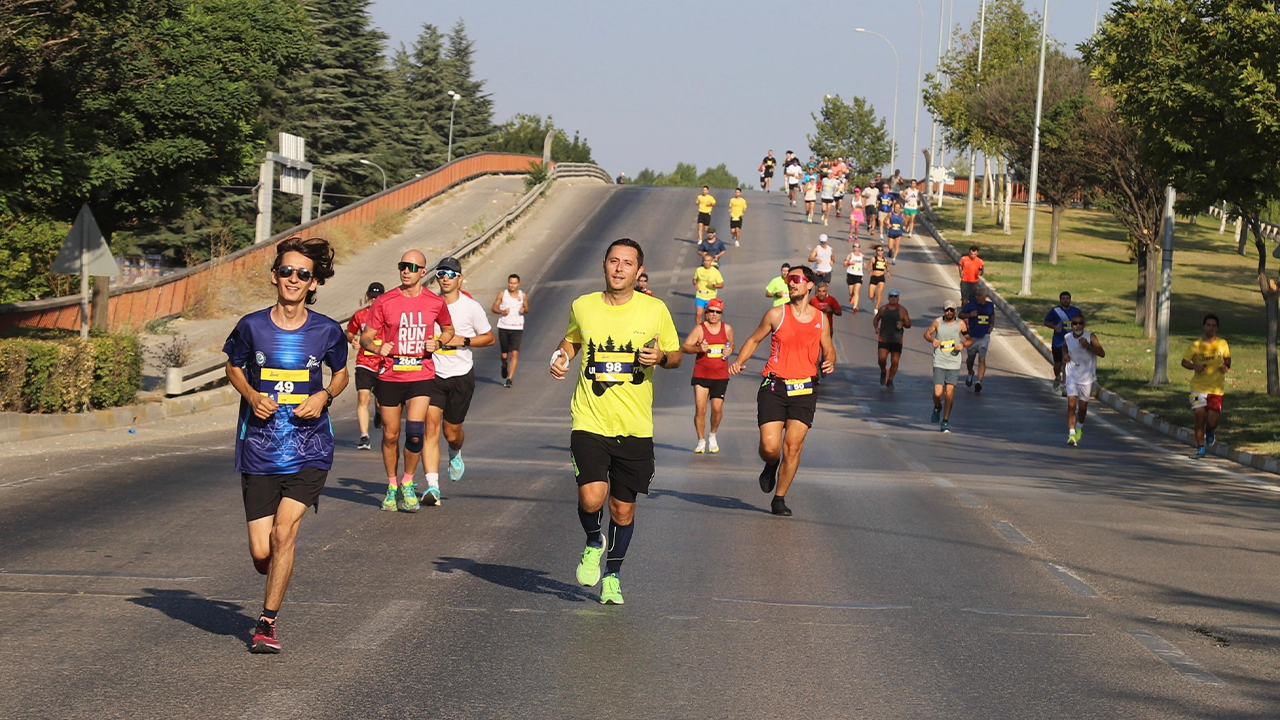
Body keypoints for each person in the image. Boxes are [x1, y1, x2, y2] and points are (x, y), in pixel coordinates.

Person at [222, 236, 348, 654]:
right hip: (260, 449)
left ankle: (267, 623)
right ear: (274, 276)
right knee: (262, 551)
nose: (294, 279)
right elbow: (233, 366)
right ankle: (271, 569)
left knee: (283, 533)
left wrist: (324, 396)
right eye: (287, 271)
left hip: (310, 448)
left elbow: (341, 374)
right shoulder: (251, 326)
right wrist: (251, 395)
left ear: (313, 283)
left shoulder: (327, 330)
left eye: (303, 274)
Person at [550, 238, 681, 605]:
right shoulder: (583, 305)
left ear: (639, 271)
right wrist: (560, 357)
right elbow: (572, 340)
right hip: (589, 420)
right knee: (591, 496)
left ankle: (612, 575)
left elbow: (675, 356)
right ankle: (594, 540)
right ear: (604, 264)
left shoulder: (655, 310)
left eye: (628, 263)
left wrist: (661, 358)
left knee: (622, 510)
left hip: (635, 427)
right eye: (614, 261)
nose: (620, 268)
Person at [730, 266, 835, 517]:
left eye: (796, 279)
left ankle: (779, 498)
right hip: (774, 385)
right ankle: (771, 463)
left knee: (793, 447)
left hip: (805, 388)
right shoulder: (776, 314)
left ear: (809, 284)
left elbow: (829, 348)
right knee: (770, 446)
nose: (791, 283)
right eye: (789, 280)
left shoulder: (821, 319)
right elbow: (754, 339)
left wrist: (829, 361)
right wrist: (739, 361)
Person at [361, 250, 455, 512]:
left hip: (420, 375)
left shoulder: (434, 302)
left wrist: (439, 342)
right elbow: (366, 336)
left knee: (415, 433)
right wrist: (377, 348)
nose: (406, 271)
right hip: (390, 376)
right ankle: (392, 485)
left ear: (423, 272)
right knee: (390, 435)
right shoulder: (385, 301)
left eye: (412, 267)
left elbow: (449, 329)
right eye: (403, 266)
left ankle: (408, 482)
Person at [429, 257, 496, 485]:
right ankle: (432, 485)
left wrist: (464, 340)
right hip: (433, 374)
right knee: (430, 427)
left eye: (451, 274)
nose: (445, 278)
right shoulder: (430, 304)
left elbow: (489, 338)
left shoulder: (471, 307)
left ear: (460, 279)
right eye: (441, 274)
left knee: (451, 433)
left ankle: (455, 452)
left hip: (460, 375)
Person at [681, 297, 733, 453]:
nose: (714, 314)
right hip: (702, 375)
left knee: (717, 408)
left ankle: (713, 434)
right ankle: (701, 441)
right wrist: (698, 349)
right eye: (711, 311)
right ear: (706, 312)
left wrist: (729, 350)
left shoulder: (727, 329)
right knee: (700, 409)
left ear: (721, 314)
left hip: (720, 375)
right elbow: (685, 347)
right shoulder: (699, 329)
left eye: (718, 312)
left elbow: (731, 343)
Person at [1181, 313, 1231, 459]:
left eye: (1213, 325)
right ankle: (1201, 447)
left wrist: (1226, 366)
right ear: (1204, 327)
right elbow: (1184, 362)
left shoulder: (1222, 343)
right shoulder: (1196, 345)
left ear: (1217, 328)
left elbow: (1228, 359)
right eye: (1208, 325)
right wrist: (1195, 367)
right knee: (1200, 417)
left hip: (1216, 389)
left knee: (1212, 421)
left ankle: (1209, 430)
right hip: (1198, 388)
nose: (1211, 328)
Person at [345, 282, 385, 449]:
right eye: (371, 297)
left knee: (381, 402)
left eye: (377, 297)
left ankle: (379, 413)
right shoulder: (360, 315)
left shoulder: (389, 314)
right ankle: (364, 436)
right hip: (364, 362)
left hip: (383, 363)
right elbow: (349, 332)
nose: (374, 300)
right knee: (363, 397)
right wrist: (353, 339)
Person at [924, 300, 972, 433]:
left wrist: (962, 344)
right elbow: (926, 334)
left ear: (955, 311)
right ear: (943, 311)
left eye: (951, 310)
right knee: (938, 393)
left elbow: (969, 339)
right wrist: (932, 340)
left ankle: (945, 421)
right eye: (947, 310)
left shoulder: (960, 324)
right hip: (939, 360)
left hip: (953, 362)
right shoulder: (938, 322)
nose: (949, 312)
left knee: (949, 394)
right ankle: (937, 406)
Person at [1062, 314, 1105, 447]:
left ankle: (1079, 427)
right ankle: (1071, 433)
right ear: (1071, 325)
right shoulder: (1067, 337)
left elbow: (1102, 353)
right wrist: (1064, 355)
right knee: (1071, 404)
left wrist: (1088, 346)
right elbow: (1064, 348)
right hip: (1072, 375)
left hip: (1086, 377)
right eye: (1075, 323)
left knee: (1082, 407)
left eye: (1080, 323)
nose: (1078, 326)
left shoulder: (1090, 336)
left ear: (1084, 325)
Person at [492, 273, 528, 389]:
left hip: (517, 327)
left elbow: (527, 308)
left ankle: (509, 379)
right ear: (508, 283)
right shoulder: (503, 294)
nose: (512, 285)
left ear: (518, 284)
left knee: (514, 353)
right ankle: (504, 365)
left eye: (514, 283)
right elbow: (494, 308)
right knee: (504, 355)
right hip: (504, 326)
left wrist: (524, 309)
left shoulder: (522, 295)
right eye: (510, 283)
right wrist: (502, 311)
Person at [1043, 291, 1083, 394]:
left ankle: (1065, 385)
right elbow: (1046, 322)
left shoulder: (1076, 311)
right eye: (1063, 298)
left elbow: (1081, 323)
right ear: (1060, 300)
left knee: (1067, 364)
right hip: (1058, 342)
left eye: (1067, 298)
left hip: (1071, 342)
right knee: (1058, 365)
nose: (1066, 300)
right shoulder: (1055, 311)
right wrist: (1054, 326)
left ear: (1070, 299)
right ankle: (1057, 377)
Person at [959, 285, 995, 392]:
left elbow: (992, 315)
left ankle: (979, 381)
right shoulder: (971, 304)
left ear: (985, 296)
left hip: (984, 336)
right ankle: (970, 372)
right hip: (972, 336)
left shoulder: (990, 305)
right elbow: (960, 314)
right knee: (970, 359)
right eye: (976, 295)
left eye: (980, 295)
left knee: (982, 358)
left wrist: (992, 325)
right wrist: (970, 315)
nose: (977, 297)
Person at [873, 289, 910, 387]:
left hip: (896, 340)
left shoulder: (902, 310)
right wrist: (876, 327)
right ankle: (883, 370)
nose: (893, 298)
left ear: (898, 298)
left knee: (895, 361)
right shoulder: (883, 309)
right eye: (891, 296)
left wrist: (903, 323)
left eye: (895, 296)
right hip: (884, 338)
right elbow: (876, 319)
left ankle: (890, 380)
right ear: (888, 298)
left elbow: (909, 324)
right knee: (881, 359)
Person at [692, 253, 725, 324]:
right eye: (705, 260)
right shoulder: (699, 270)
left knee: (707, 316)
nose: (706, 262)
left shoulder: (715, 272)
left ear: (711, 261)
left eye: (708, 261)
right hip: (700, 295)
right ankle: (699, 328)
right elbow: (694, 279)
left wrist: (713, 285)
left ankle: (706, 328)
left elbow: (721, 285)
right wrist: (695, 283)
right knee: (698, 313)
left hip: (710, 297)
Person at [866, 244, 890, 309]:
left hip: (881, 277)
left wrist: (888, 272)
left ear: (883, 251)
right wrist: (870, 271)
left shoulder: (885, 260)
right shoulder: (873, 259)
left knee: (879, 293)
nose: (880, 252)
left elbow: (887, 267)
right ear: (876, 251)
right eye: (878, 250)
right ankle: (872, 297)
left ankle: (876, 308)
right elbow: (868, 267)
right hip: (874, 277)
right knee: (870, 295)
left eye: (881, 250)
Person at [844, 241, 865, 312]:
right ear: (853, 247)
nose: (856, 248)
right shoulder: (850, 255)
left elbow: (862, 262)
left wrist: (864, 263)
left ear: (860, 248)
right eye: (855, 246)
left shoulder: (862, 256)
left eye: (858, 246)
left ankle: (855, 306)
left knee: (856, 291)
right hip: (850, 274)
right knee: (851, 292)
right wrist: (850, 263)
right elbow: (844, 263)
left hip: (859, 275)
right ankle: (852, 296)